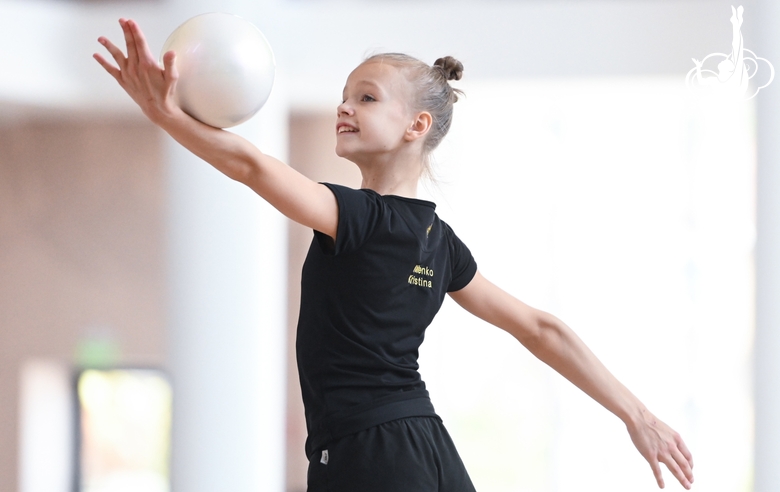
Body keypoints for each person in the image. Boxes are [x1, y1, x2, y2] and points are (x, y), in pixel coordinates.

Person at [94, 18, 695, 492]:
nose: (344, 107)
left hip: (366, 451)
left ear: (416, 125)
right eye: (344, 95)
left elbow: (252, 166)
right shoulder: (439, 241)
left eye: (367, 97)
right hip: (424, 445)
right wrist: (634, 414)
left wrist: (165, 116)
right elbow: (540, 328)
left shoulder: (356, 217)